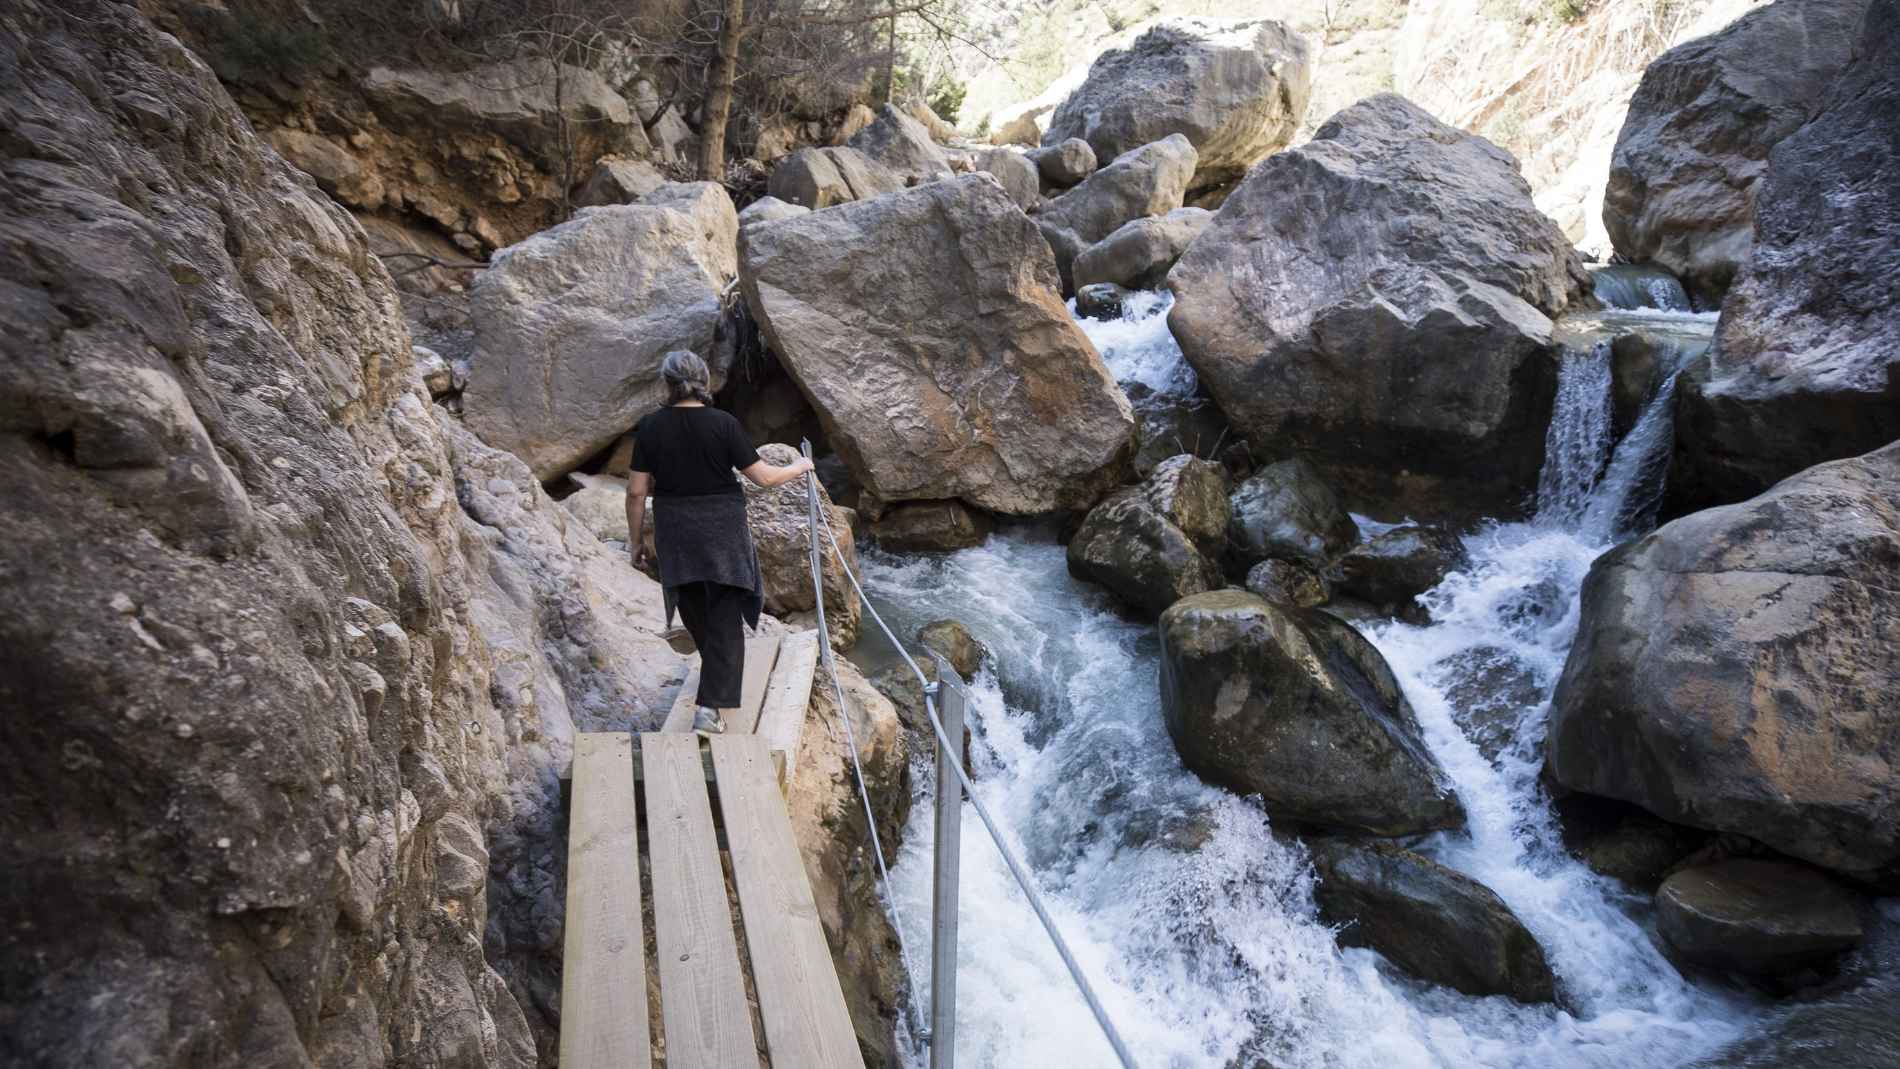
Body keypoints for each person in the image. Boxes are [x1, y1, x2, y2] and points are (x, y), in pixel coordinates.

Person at [625, 350, 814, 737]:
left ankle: (713, 689)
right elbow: (762, 477)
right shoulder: (723, 424)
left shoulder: (650, 427)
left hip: (676, 531)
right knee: (726, 616)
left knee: (696, 610)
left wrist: (635, 542)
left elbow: (635, 492)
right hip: (722, 531)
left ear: (667, 384)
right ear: (704, 381)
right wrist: (800, 467)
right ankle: (709, 711)